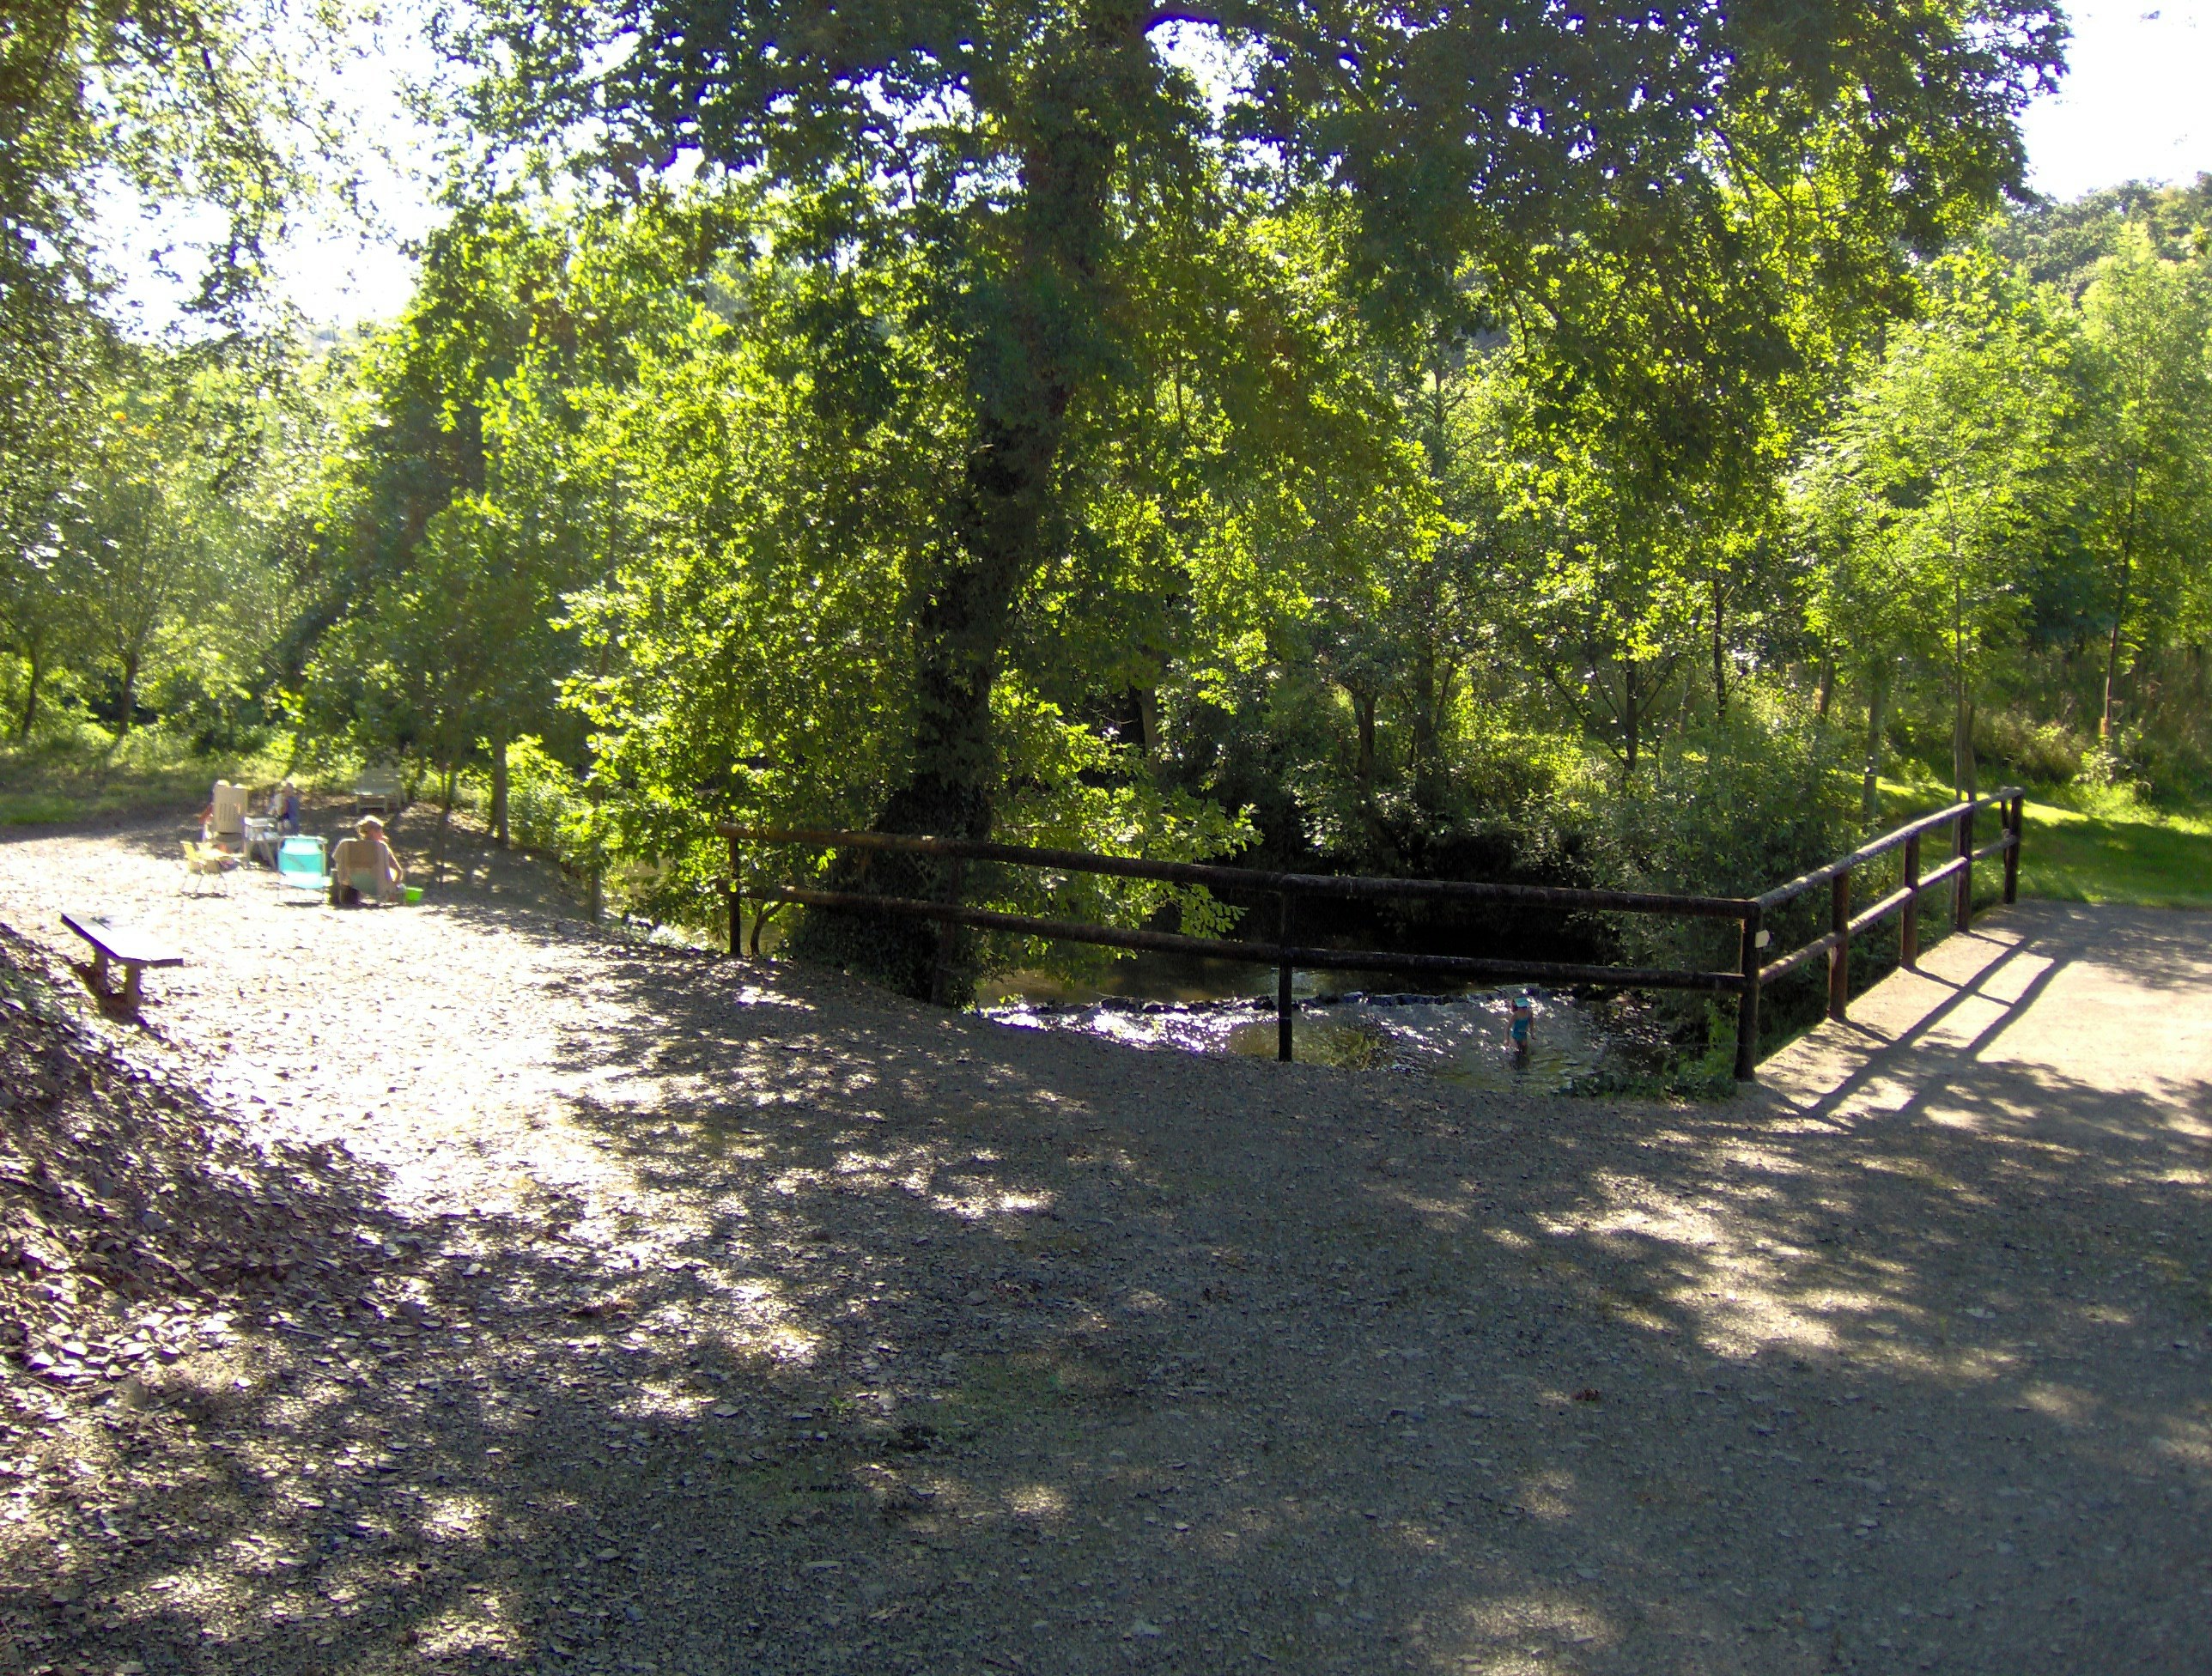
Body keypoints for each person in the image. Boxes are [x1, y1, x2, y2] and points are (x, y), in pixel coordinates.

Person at [328, 817, 405, 906]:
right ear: (373, 831)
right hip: (377, 887)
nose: (382, 833)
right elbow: (399, 871)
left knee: (335, 872)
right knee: (402, 888)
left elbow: (338, 863)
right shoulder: (382, 848)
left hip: (352, 884)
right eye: (380, 829)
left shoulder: (347, 845)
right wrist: (393, 888)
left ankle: (341, 896)